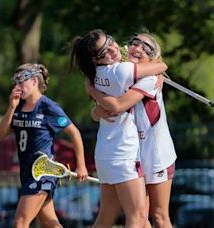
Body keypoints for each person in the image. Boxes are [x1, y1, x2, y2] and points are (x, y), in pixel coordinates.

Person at [69, 29, 168, 228]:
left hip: (106, 153)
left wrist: (93, 99)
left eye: (111, 42)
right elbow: (162, 65)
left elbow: (100, 110)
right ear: (96, 60)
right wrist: (158, 71)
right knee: (138, 217)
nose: (113, 49)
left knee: (106, 217)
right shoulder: (121, 71)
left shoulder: (94, 75)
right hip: (123, 152)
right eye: (103, 52)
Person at [0, 63, 88, 228]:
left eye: (20, 82)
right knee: (49, 223)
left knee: (20, 222)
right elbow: (2, 133)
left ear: (33, 81)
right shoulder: (18, 106)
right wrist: (11, 107)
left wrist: (81, 165)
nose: (17, 87)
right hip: (27, 172)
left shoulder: (49, 107)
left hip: (43, 172)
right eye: (15, 83)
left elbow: (74, 133)